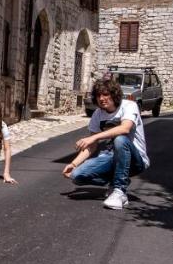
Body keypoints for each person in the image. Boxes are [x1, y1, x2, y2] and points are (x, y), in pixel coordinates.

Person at [62, 77, 149, 209]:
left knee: (120, 139)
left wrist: (94, 138)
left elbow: (125, 128)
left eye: (105, 94)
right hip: (110, 158)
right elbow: (92, 146)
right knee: (76, 176)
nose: (102, 98)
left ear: (114, 95)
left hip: (135, 160)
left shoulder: (129, 105)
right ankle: (118, 181)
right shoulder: (98, 114)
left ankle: (119, 191)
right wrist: (73, 163)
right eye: (98, 96)